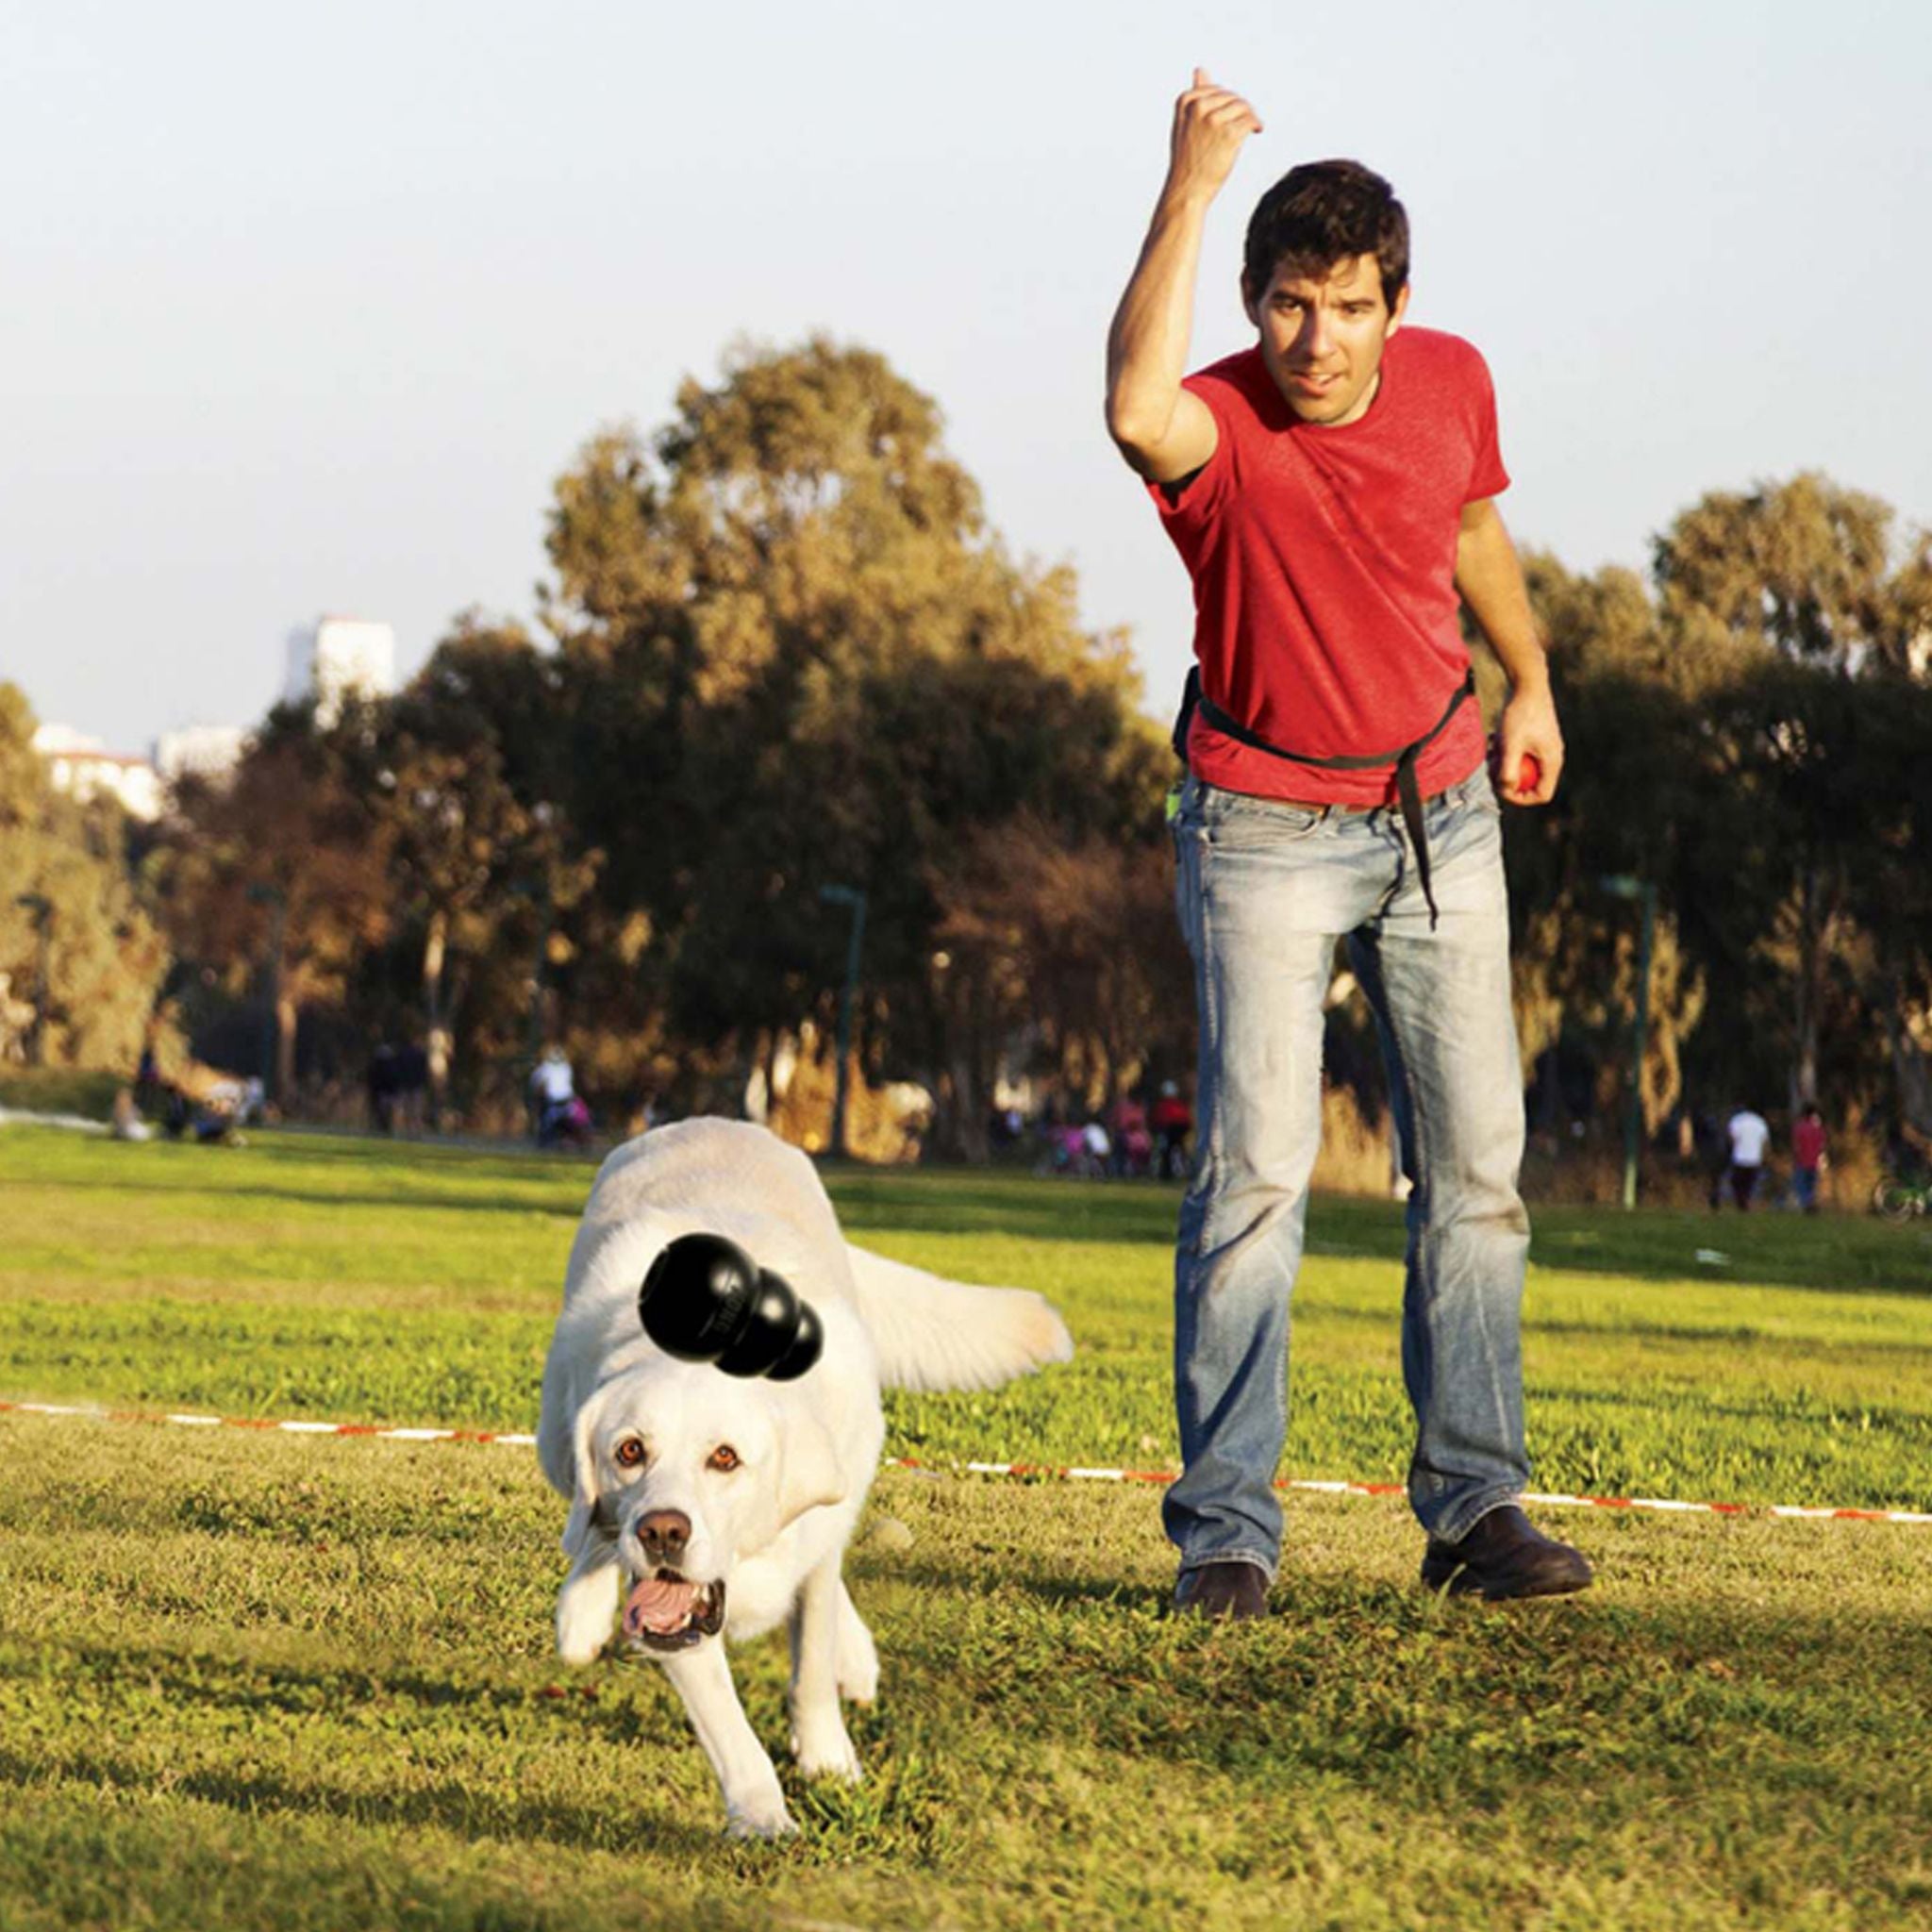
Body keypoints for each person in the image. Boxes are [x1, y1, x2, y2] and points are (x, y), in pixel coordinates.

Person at [1106, 72, 1589, 1617]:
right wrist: (1185, 190)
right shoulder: (1218, 429)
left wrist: (1528, 678)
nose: (1317, 339)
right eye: (1289, 305)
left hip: (1438, 809)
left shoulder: (1450, 381)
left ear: (1396, 304)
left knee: (1476, 1173)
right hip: (1258, 825)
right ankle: (1227, 1538)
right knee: (1252, 1177)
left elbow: (1464, 531)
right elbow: (1129, 405)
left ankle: (1473, 1512)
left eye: (1348, 306)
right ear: (1251, 304)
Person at [1724, 1104, 1771, 1209]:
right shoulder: (1760, 1122)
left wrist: (1732, 1149)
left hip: (1739, 1158)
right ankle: (1747, 1202)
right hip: (1755, 1159)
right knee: (1750, 1184)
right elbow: (1765, 1142)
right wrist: (1765, 1156)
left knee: (1738, 1183)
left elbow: (1731, 1138)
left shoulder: (1737, 1121)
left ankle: (1741, 1203)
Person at [1790, 1104, 1826, 1213]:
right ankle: (1811, 1203)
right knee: (1811, 1186)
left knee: (1800, 1185)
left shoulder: (1799, 1128)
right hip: (1814, 1162)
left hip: (1802, 1161)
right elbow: (1822, 1147)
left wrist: (1795, 1159)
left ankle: (1807, 1205)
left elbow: (1796, 1146)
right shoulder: (1818, 1129)